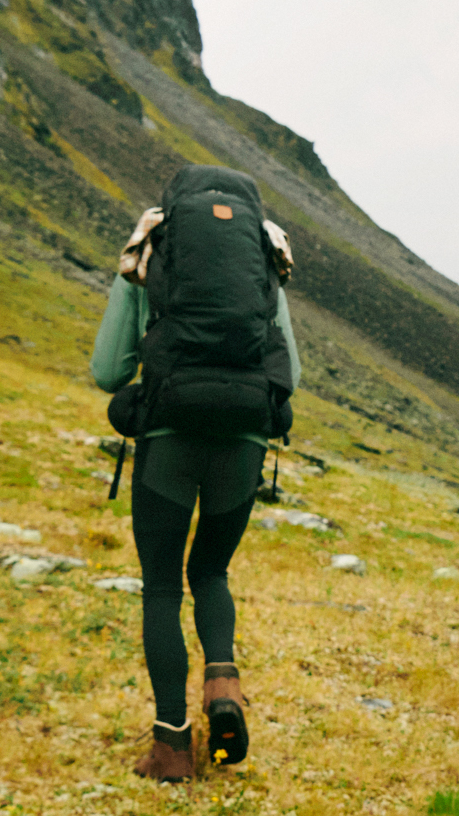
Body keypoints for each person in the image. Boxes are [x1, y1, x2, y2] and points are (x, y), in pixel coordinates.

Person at [91, 172, 302, 784]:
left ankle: (172, 745)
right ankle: (223, 682)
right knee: (211, 569)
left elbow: (108, 369)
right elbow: (291, 368)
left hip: (170, 434)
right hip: (243, 437)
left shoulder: (151, 252)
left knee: (161, 586)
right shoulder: (265, 261)